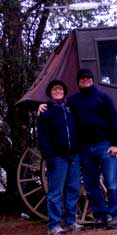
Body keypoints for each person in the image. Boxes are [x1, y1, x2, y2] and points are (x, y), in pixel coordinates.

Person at [39, 69, 117, 229]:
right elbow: (57, 105)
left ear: (92, 80)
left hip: (104, 146)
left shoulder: (104, 97)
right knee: (91, 185)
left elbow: (115, 120)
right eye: (82, 79)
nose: (85, 80)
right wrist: (43, 105)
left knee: (112, 183)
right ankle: (100, 216)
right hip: (84, 149)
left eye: (88, 78)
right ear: (78, 82)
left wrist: (116, 144)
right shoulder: (73, 101)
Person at [37, 80, 83, 235]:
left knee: (74, 189)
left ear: (64, 91)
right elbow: (42, 137)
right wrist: (48, 156)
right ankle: (54, 225)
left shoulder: (71, 109)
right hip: (57, 157)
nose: (58, 91)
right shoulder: (45, 112)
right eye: (55, 89)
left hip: (74, 155)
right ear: (50, 93)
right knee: (55, 192)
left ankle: (71, 222)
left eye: (60, 89)